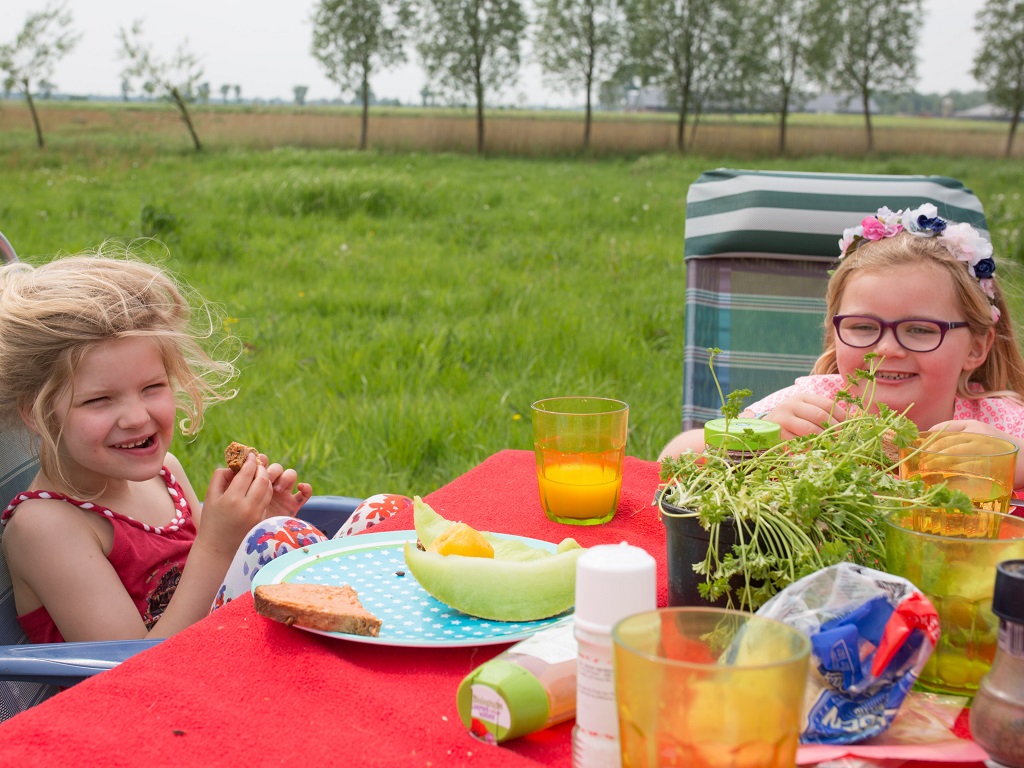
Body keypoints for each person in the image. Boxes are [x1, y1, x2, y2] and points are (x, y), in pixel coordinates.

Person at [0, 249, 406, 644]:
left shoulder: (165, 473)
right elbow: (133, 673)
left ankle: (392, 643)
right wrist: (222, 543)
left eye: (152, 388)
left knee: (386, 514)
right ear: (36, 413)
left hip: (225, 645)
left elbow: (214, 581)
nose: (137, 417)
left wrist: (251, 525)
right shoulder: (46, 526)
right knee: (281, 541)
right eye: (99, 400)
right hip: (156, 698)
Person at [660, 203, 1024, 488]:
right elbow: (671, 460)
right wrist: (760, 440)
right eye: (863, 326)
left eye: (921, 330)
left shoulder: (994, 421)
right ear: (835, 334)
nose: (887, 349)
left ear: (977, 347)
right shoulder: (818, 409)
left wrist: (1011, 458)